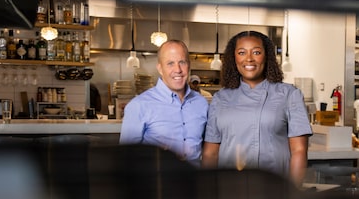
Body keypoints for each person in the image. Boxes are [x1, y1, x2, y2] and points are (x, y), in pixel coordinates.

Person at [202, 30, 312, 186]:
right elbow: (211, 153)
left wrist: (292, 194)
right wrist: (208, 191)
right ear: (234, 58)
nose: (249, 58)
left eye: (256, 52)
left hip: (274, 188)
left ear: (267, 56)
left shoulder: (289, 95)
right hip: (229, 187)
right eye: (241, 52)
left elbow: (299, 151)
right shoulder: (220, 98)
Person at [119, 39, 208, 166]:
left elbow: (208, 148)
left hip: (195, 181)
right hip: (158, 182)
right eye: (170, 63)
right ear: (160, 68)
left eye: (182, 62)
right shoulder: (139, 105)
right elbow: (126, 157)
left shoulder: (201, 103)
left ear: (189, 65)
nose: (177, 70)